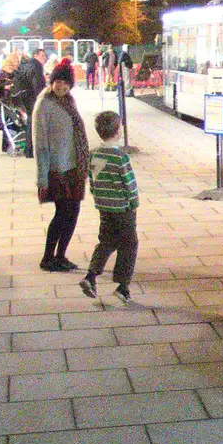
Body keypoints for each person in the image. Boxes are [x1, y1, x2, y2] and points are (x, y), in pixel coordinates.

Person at [33, 61, 90, 272]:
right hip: (56, 169)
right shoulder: (43, 105)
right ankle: (47, 258)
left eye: (66, 83)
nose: (62, 87)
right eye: (59, 82)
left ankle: (61, 256)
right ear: (52, 81)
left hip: (74, 166)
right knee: (61, 214)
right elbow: (40, 144)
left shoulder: (69, 101)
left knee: (73, 213)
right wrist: (42, 178)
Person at [79, 110, 139, 304]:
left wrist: (98, 197)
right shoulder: (120, 157)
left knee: (106, 241)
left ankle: (91, 276)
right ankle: (123, 286)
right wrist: (134, 202)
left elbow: (92, 179)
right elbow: (129, 183)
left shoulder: (94, 153)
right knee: (129, 244)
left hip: (104, 208)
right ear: (118, 132)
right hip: (122, 208)